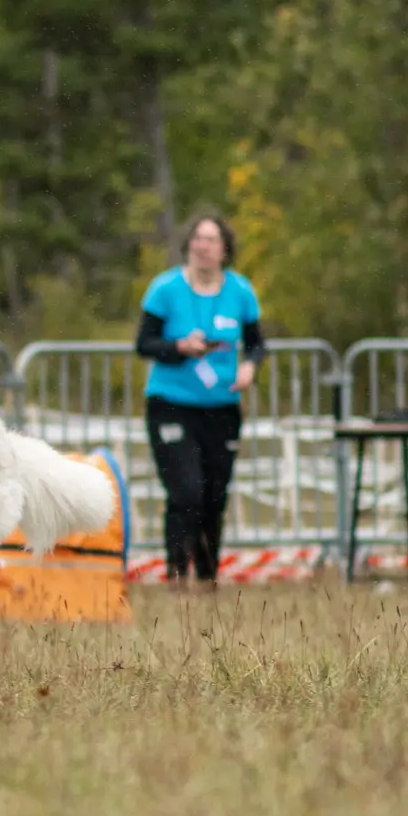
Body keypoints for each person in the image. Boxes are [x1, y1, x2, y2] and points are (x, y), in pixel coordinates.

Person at [134, 212, 266, 588]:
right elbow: (144, 344)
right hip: (171, 402)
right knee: (185, 491)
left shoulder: (240, 291)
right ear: (188, 244)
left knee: (213, 494)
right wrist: (179, 347)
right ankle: (177, 576)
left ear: (225, 249)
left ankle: (208, 579)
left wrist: (250, 368)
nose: (203, 246)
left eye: (211, 240)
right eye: (198, 238)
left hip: (222, 407)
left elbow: (256, 344)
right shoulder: (165, 289)